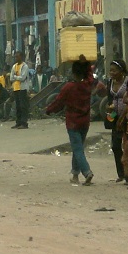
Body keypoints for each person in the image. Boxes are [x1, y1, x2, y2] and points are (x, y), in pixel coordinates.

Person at [46, 57, 100, 186]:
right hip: (85, 121)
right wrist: (86, 62)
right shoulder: (87, 85)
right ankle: (75, 174)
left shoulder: (68, 87)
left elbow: (58, 102)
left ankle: (87, 172)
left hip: (73, 122)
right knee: (78, 148)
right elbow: (90, 75)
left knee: (77, 149)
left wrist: (48, 110)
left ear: (73, 72)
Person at [102, 59, 128, 182]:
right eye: (110, 70)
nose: (112, 73)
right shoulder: (110, 82)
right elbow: (109, 98)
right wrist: (109, 108)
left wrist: (124, 115)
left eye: (114, 71)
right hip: (115, 116)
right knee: (115, 145)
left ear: (121, 71)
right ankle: (121, 173)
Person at [10, 51, 30, 129]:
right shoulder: (14, 66)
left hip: (22, 88)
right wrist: (16, 77)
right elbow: (11, 78)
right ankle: (18, 122)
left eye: (17, 56)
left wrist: (15, 77)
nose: (16, 58)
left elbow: (23, 78)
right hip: (16, 88)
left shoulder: (25, 66)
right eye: (15, 57)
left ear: (21, 57)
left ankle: (24, 123)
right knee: (17, 106)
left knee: (23, 106)